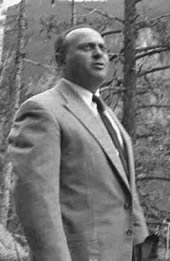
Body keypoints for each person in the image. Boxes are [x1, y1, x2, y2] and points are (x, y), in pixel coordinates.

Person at [8, 25, 148, 261]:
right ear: (60, 59)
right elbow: (36, 202)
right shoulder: (42, 111)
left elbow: (128, 200)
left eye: (102, 48)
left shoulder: (108, 117)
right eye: (87, 47)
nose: (98, 53)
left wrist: (146, 253)